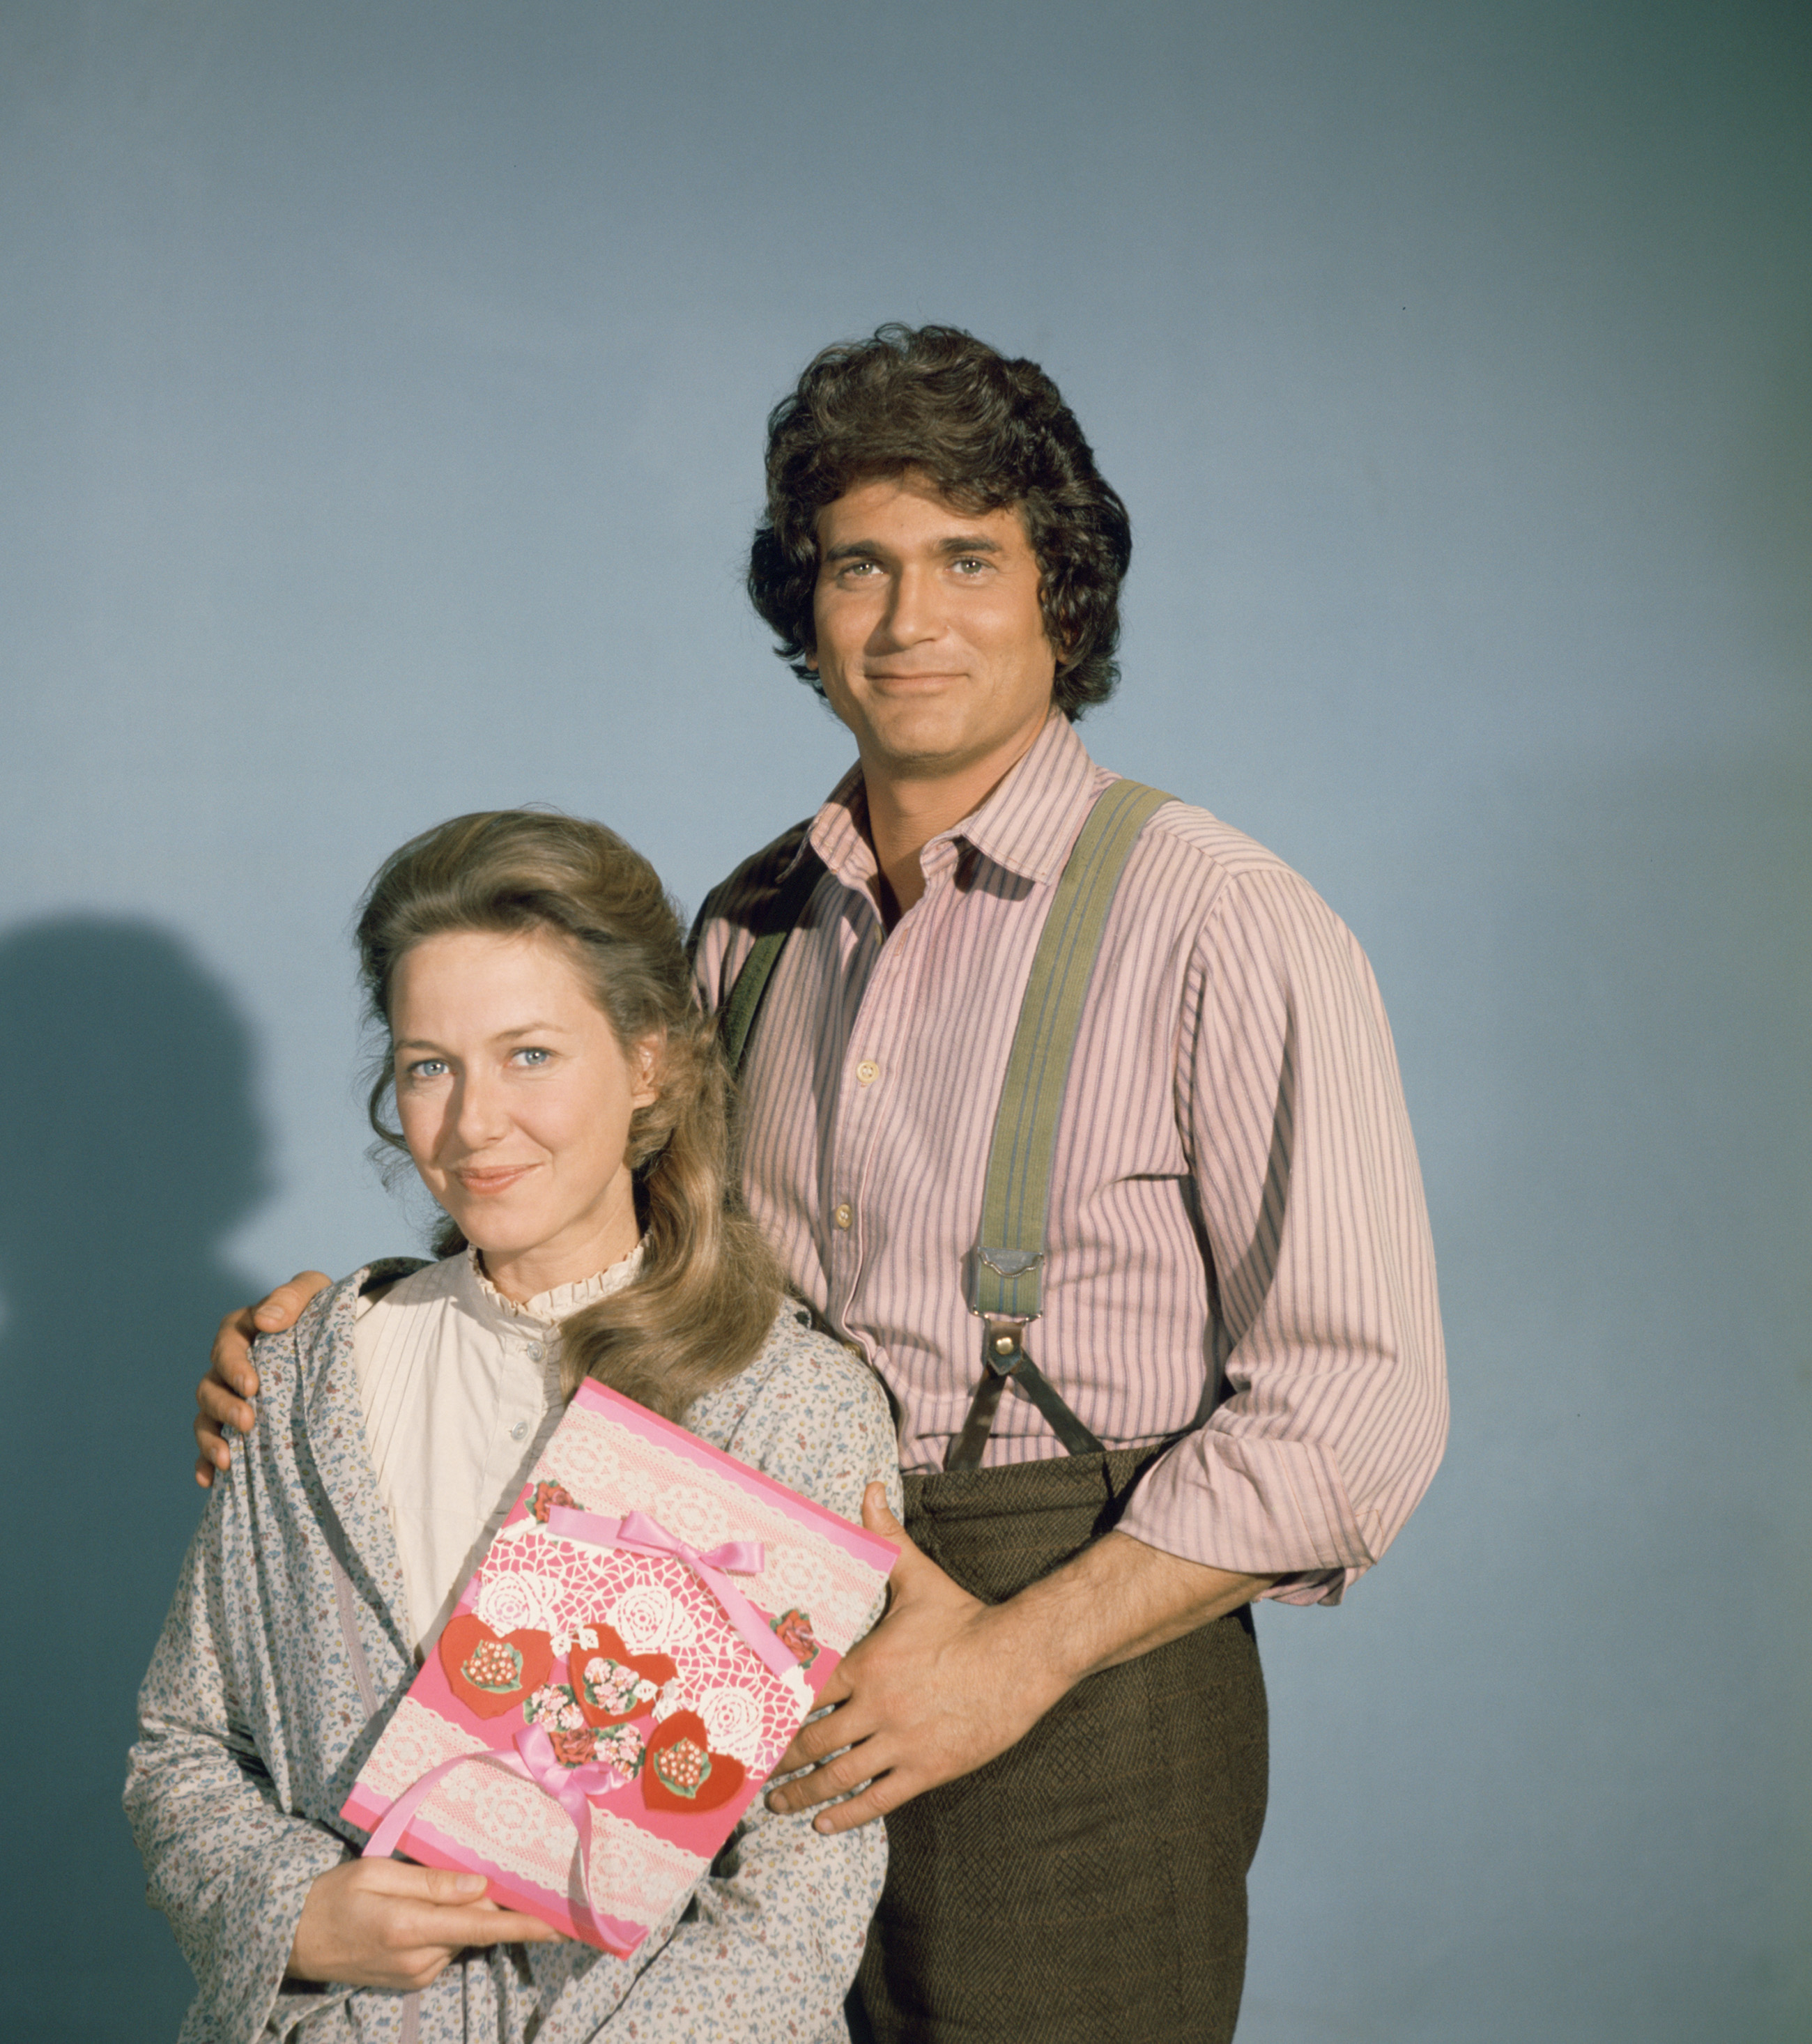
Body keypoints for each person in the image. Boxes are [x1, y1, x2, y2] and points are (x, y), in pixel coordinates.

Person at [195, 325, 1448, 2043]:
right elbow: (595, 1223)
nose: (912, 619)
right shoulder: (748, 925)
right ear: (807, 609)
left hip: (1079, 1676)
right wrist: (345, 1339)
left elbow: (1357, 1411)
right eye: (861, 565)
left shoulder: (1221, 922)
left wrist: (1012, 1658)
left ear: (1059, 598)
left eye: (968, 560)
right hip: (722, 1637)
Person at [131, 810, 900, 2043]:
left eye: (531, 1054)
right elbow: (182, 1743)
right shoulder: (310, 1367)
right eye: (432, 1064)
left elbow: (803, 1882)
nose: (476, 1123)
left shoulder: (785, 1404)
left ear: (649, 1062)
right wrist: (294, 1912)